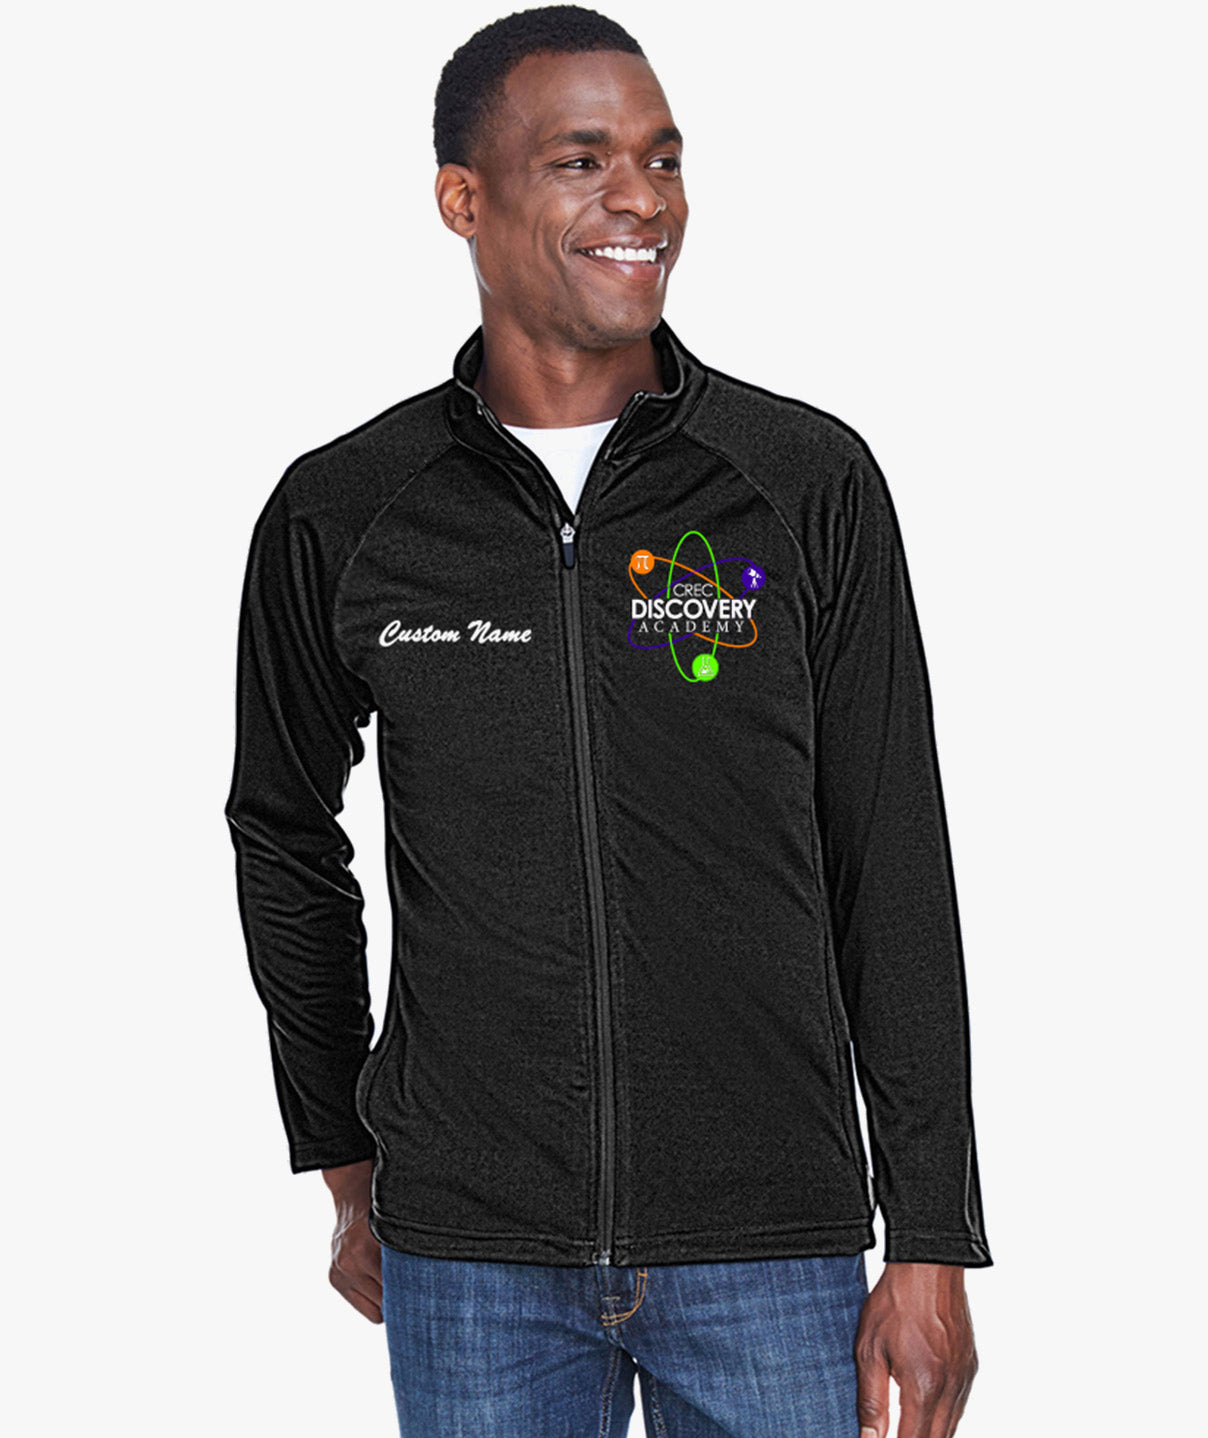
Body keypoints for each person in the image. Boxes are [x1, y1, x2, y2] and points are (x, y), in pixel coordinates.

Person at [224, 7, 993, 1435]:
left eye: (663, 158)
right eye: (582, 161)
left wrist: (933, 1232)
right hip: (470, 1252)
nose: (641, 198)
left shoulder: (801, 481)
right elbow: (281, 832)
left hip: (772, 1243)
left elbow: (891, 853)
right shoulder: (346, 511)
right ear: (463, 199)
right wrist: (343, 1151)